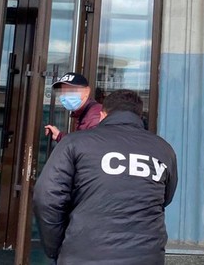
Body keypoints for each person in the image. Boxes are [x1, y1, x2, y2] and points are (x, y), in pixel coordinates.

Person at [34, 89, 178, 265]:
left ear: (102, 115)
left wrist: (56, 247)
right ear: (139, 116)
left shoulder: (75, 143)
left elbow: (47, 198)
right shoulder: (163, 149)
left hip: (84, 255)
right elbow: (165, 198)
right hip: (147, 256)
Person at [44, 73, 102, 142]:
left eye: (71, 90)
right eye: (63, 91)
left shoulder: (95, 114)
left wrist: (60, 136)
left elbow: (88, 145)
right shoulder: (83, 112)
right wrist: (58, 135)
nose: (66, 95)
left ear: (87, 91)